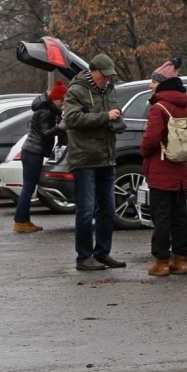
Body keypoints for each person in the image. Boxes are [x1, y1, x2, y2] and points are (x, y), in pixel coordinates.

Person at [62, 54, 127, 271]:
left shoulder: (109, 89)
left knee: (108, 209)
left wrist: (117, 120)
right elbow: (71, 120)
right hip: (84, 159)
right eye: (104, 76)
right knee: (86, 210)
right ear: (94, 71)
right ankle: (83, 257)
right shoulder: (76, 90)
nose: (107, 80)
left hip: (106, 157)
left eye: (110, 76)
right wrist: (104, 117)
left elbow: (111, 115)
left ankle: (102, 253)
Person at [140, 61, 187, 277]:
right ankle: (181, 260)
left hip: (161, 171)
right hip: (181, 172)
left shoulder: (159, 108)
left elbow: (151, 139)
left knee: (161, 217)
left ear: (163, 84)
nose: (151, 86)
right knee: (180, 216)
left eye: (154, 81)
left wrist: (144, 152)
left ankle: (161, 262)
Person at [14, 80, 67, 232]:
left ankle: (24, 220)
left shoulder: (46, 109)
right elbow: (45, 134)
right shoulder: (45, 112)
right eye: (62, 100)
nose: (62, 103)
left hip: (32, 151)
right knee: (28, 188)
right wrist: (61, 127)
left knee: (29, 187)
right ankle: (20, 221)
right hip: (33, 152)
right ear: (55, 98)